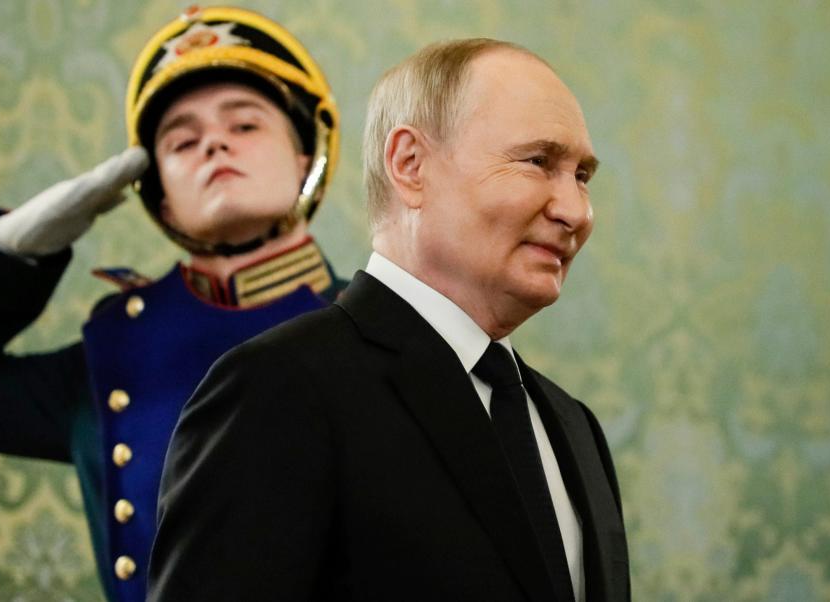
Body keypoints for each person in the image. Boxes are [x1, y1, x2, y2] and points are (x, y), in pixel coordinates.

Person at [149, 38, 629, 602]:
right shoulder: (277, 389)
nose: (574, 211)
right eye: (537, 162)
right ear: (410, 165)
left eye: (582, 176)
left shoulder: (573, 425)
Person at [0, 7, 345, 602]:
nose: (215, 143)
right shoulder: (115, 354)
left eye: (246, 125)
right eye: (182, 140)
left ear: (304, 158)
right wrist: (11, 252)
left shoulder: (378, 330)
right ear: (163, 203)